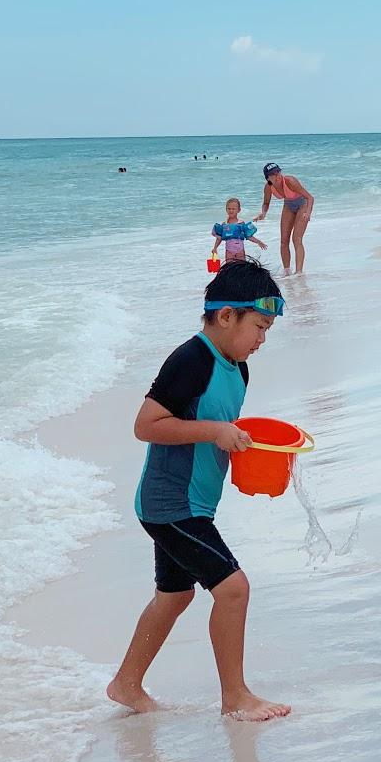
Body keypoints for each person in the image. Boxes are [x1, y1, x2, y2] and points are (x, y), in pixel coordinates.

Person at [107, 261, 291, 721]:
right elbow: (146, 426)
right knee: (233, 588)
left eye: (268, 330)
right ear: (226, 316)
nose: (263, 339)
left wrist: (246, 454)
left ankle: (126, 684)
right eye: (259, 327)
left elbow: (216, 427)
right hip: (170, 505)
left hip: (195, 503)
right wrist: (214, 431)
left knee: (175, 595)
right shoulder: (190, 359)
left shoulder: (238, 369)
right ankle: (236, 697)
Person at [255, 164, 314, 275]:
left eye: (278, 172)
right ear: (268, 178)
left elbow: (310, 197)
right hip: (288, 205)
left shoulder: (290, 181)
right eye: (273, 174)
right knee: (283, 241)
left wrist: (308, 212)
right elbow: (266, 203)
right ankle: (287, 272)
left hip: (303, 204)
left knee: (296, 238)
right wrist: (263, 213)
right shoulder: (268, 187)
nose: (277, 175)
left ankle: (299, 272)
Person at [211, 198, 264, 263]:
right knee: (229, 269)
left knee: (242, 268)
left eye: (233, 209)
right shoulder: (224, 224)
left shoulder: (241, 223)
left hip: (240, 251)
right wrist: (215, 248)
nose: (231, 210)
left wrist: (258, 242)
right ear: (226, 209)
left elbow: (248, 236)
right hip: (229, 251)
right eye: (229, 208)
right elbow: (219, 238)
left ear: (238, 210)